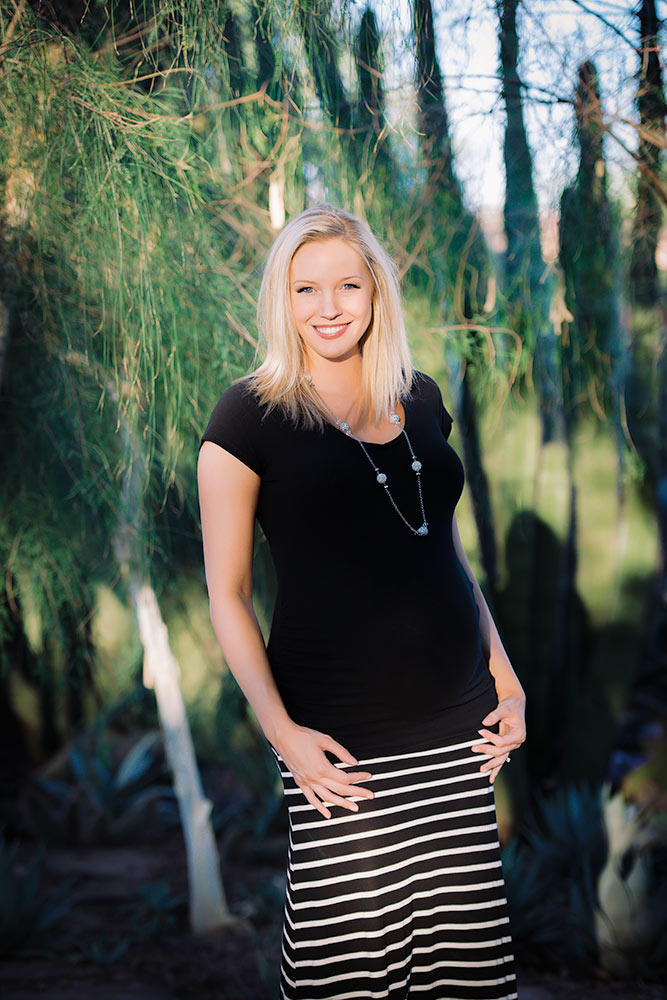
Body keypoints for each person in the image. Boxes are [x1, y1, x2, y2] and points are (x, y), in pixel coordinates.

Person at [197, 203, 526, 999]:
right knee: (345, 974)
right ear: (282, 299)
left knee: (464, 970)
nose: (329, 306)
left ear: (376, 290)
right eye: (306, 289)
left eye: (348, 284)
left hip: (457, 730)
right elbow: (228, 597)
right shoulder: (249, 416)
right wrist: (285, 737)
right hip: (340, 748)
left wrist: (508, 683)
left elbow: (442, 558)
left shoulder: (419, 397)